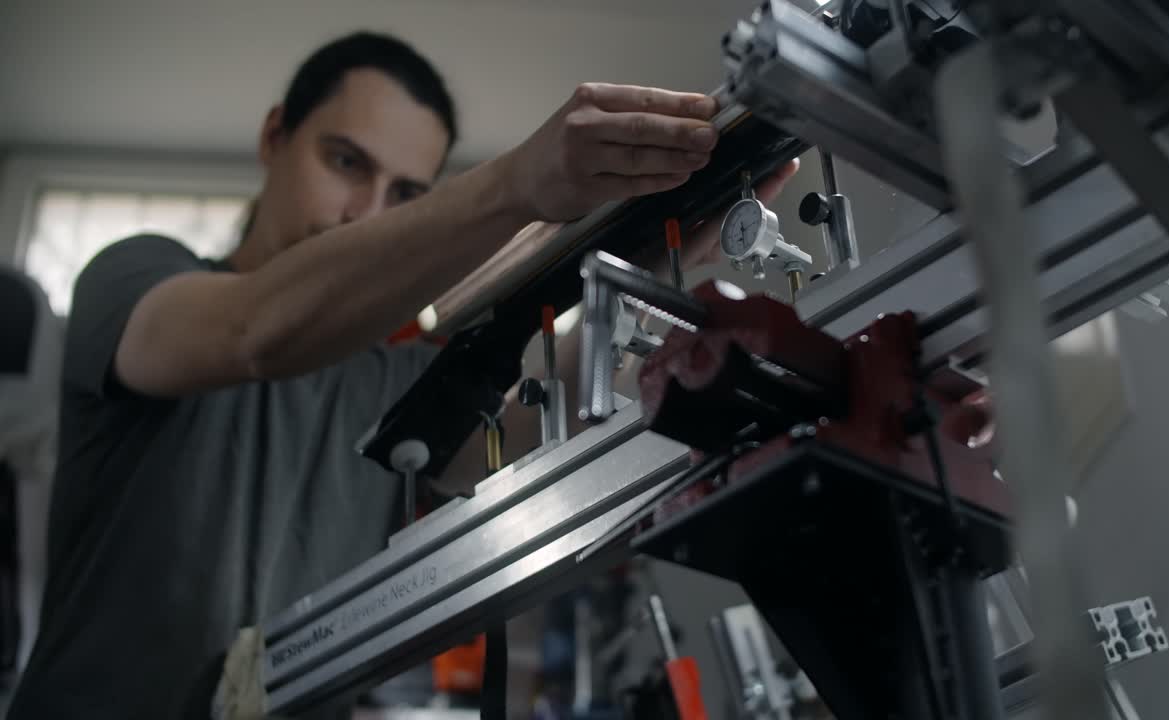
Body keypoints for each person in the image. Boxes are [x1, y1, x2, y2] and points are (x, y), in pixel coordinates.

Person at [4, 30, 797, 719]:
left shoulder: (390, 384)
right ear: (275, 135)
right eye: (346, 162)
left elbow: (525, 416)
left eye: (406, 194)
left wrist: (650, 258)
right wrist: (516, 185)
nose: (366, 212)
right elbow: (254, 331)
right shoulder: (133, 275)